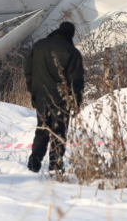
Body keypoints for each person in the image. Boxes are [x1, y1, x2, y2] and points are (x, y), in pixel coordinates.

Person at [24, 21, 84, 176]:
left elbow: (28, 71)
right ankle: (55, 166)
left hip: (41, 96)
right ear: (71, 34)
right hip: (61, 100)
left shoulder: (39, 46)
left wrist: (33, 91)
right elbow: (76, 81)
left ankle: (33, 165)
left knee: (42, 130)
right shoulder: (72, 52)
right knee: (58, 132)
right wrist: (76, 102)